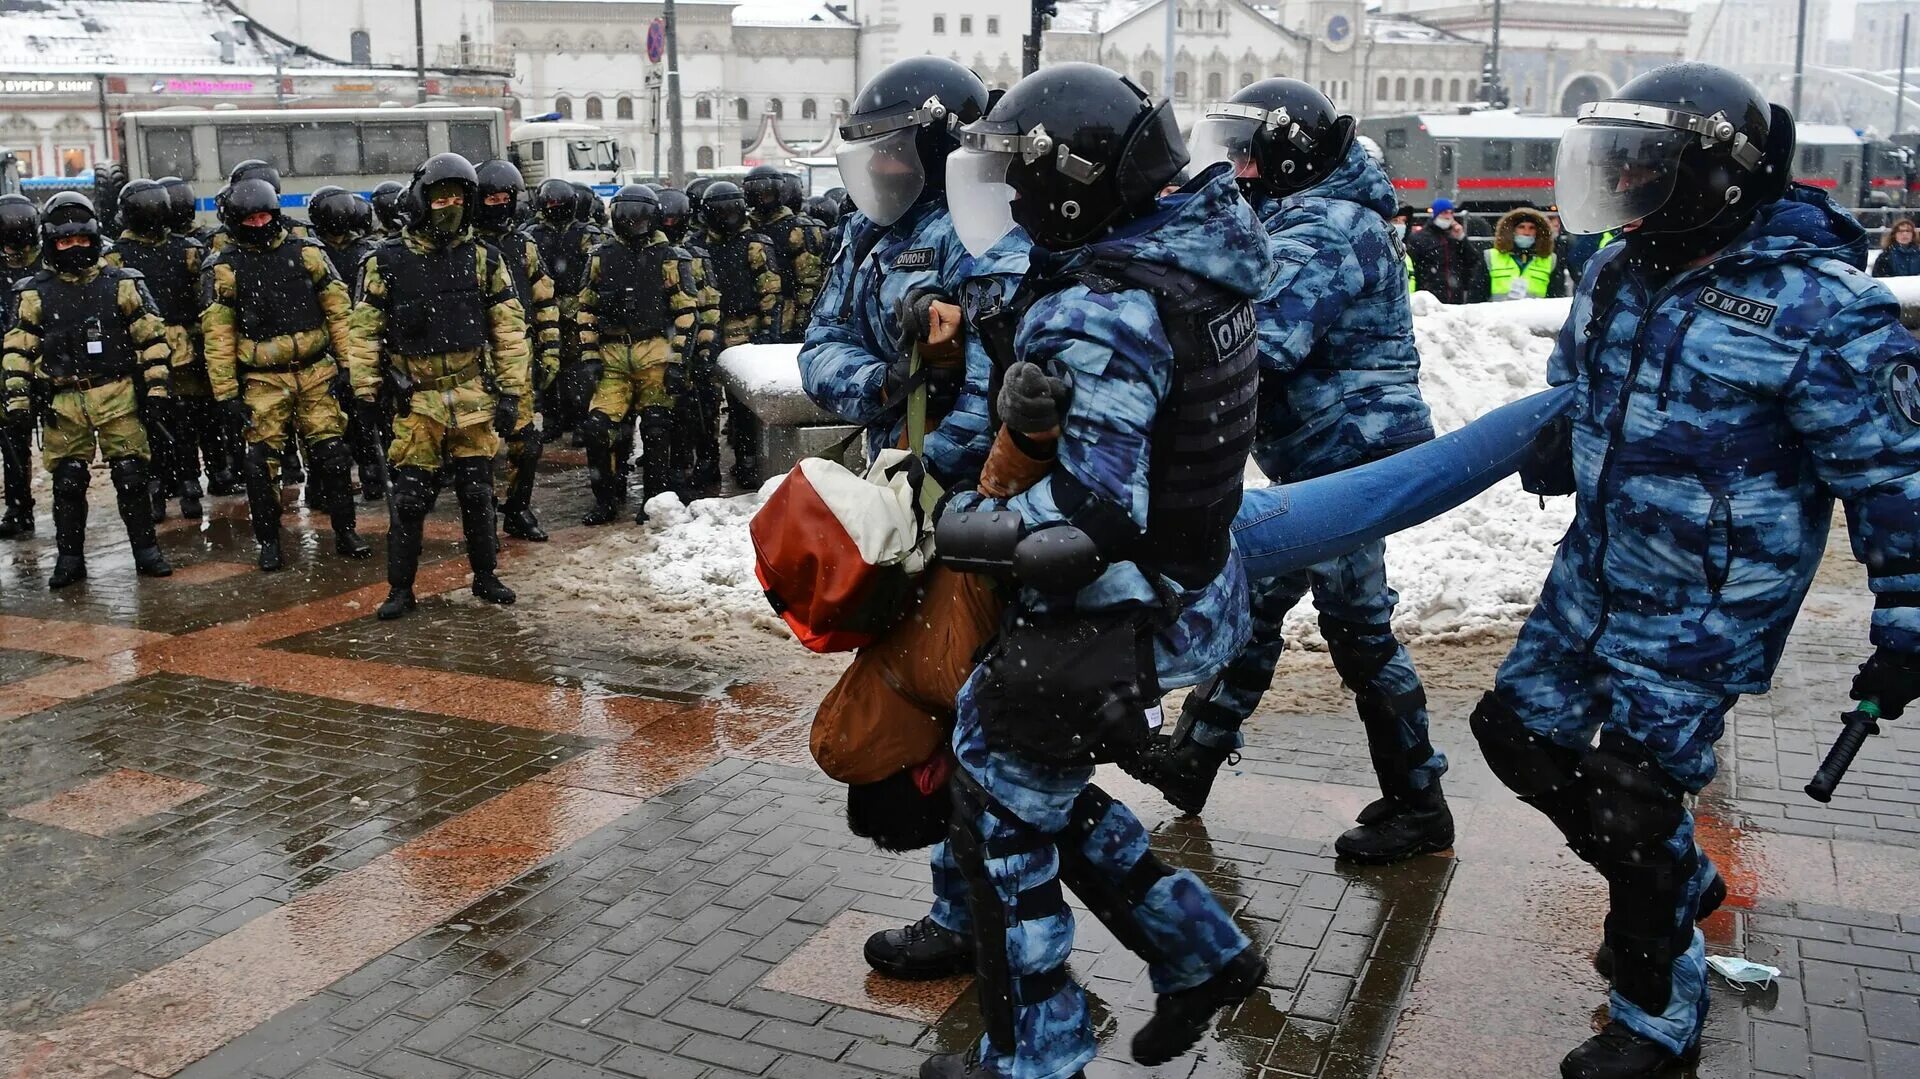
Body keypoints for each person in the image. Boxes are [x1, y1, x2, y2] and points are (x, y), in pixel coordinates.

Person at [1480, 63, 1920, 1078]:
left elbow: (1896, 480)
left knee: (1632, 794)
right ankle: (1674, 882)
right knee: (1513, 732)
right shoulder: (1615, 269)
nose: (1625, 180)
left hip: (1710, 600)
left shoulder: (1821, 309)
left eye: (1648, 160)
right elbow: (1576, 378)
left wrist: (1904, 620)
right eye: (1617, 159)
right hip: (1594, 569)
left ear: (1713, 175)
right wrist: (1563, 435)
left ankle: (1655, 1015)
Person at [928, 63, 1269, 1079]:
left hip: (1119, 605)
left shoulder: (1105, 307)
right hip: (1193, 583)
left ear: (1070, 186)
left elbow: (1091, 511)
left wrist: (968, 520)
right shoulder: (1194, 260)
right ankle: (1197, 950)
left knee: (997, 806)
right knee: (1021, 779)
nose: (1012, 205)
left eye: (1021, 183)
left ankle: (1040, 1050)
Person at [1123, 79, 1451, 862]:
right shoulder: (1303, 213)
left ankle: (1419, 802)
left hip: (1347, 461)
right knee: (1258, 603)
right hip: (1319, 455)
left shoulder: (1327, 226)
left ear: (1288, 154)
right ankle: (1195, 759)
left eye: (1245, 153)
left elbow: (1264, 339)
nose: (1235, 169)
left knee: (1358, 628)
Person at [346, 153, 532, 620]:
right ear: (420, 200)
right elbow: (364, 331)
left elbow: (508, 329)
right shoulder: (384, 261)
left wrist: (512, 393)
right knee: (409, 500)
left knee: (476, 493)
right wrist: (365, 394)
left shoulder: (486, 258)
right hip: (417, 400)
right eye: (439, 197)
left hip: (472, 394)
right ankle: (401, 588)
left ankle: (485, 577)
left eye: (456, 198)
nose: (447, 206)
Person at [2, 193, 175, 586]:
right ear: (51, 243)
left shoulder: (122, 284)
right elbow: (18, 349)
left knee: (131, 476)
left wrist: (158, 392)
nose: (75, 249)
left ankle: (146, 551)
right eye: (65, 242)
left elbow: (152, 339)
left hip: (117, 394)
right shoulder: (33, 293)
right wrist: (17, 398)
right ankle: (70, 559)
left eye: (82, 241)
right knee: (68, 481)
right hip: (64, 400)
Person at [201, 178, 370, 571]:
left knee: (332, 457)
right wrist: (225, 394)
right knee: (260, 466)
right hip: (262, 379)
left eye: (265, 216)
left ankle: (346, 530)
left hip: (314, 372)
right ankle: (269, 542)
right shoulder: (224, 268)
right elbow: (218, 334)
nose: (259, 225)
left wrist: (349, 366)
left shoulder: (308, 252)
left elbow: (340, 312)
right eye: (251, 219)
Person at [576, 185, 700, 524]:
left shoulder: (670, 256)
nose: (632, 223)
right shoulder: (601, 256)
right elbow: (585, 307)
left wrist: (677, 362)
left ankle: (653, 500)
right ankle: (606, 497)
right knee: (597, 427)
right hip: (613, 352)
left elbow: (686, 312)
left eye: (639, 216)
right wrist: (589, 355)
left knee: (657, 428)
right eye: (625, 216)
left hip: (654, 349)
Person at [106, 178, 208, 520]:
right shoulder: (188, 249)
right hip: (180, 352)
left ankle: (165, 485)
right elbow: (203, 303)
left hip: (145, 353)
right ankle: (185, 482)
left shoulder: (116, 257)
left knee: (159, 421)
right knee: (182, 420)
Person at [474, 159, 561, 541]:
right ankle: (479, 518)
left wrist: (550, 352)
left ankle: (518, 509)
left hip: (516, 355)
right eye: (490, 197)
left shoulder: (523, 244)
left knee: (526, 441)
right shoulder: (464, 246)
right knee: (475, 447)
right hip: (472, 359)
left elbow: (545, 302)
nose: (498, 204)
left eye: (504, 197)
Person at [308, 185, 388, 502]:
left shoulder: (362, 252)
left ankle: (367, 475)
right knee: (330, 423)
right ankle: (331, 482)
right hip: (336, 349)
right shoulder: (315, 254)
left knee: (360, 417)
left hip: (356, 346)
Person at [699, 181, 782, 485]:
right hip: (708, 329)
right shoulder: (698, 245)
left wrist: (766, 333)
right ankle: (707, 460)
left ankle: (746, 459)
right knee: (705, 399)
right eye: (718, 210)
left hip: (743, 327)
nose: (725, 216)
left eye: (730, 208)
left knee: (741, 404)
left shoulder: (755, 244)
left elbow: (770, 291)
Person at [657, 186, 724, 493]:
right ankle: (677, 468)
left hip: (694, 344)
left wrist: (706, 348)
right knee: (672, 411)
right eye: (664, 219)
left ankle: (708, 465)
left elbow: (709, 304)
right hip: (664, 345)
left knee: (704, 408)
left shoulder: (697, 254)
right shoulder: (652, 255)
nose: (670, 225)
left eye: (675, 219)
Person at [526, 178, 597, 441]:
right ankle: (553, 419)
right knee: (546, 365)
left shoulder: (587, 233)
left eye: (560, 204)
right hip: (543, 308)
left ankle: (580, 420)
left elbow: (594, 271)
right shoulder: (532, 234)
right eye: (551, 204)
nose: (555, 208)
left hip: (576, 308)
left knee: (577, 368)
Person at [0, 193, 42, 538]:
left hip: (45, 364)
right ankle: (18, 506)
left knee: (62, 443)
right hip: (10, 367)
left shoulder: (46, 267)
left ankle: (30, 506)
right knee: (14, 441)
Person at [1406, 197, 1487, 302]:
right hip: (1430, 298)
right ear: (1435, 214)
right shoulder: (1419, 238)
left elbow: (1473, 261)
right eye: (1444, 213)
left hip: (1455, 297)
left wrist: (1462, 239)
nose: (1448, 217)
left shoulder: (1454, 237)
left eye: (1451, 213)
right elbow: (1414, 267)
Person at [1485, 206, 1566, 300]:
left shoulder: (1550, 260)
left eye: (1532, 228)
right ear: (1512, 230)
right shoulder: (1490, 257)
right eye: (1521, 227)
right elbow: (1477, 297)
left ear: (1538, 232)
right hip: (1499, 313)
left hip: (1536, 314)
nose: (1526, 232)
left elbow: (1556, 296)